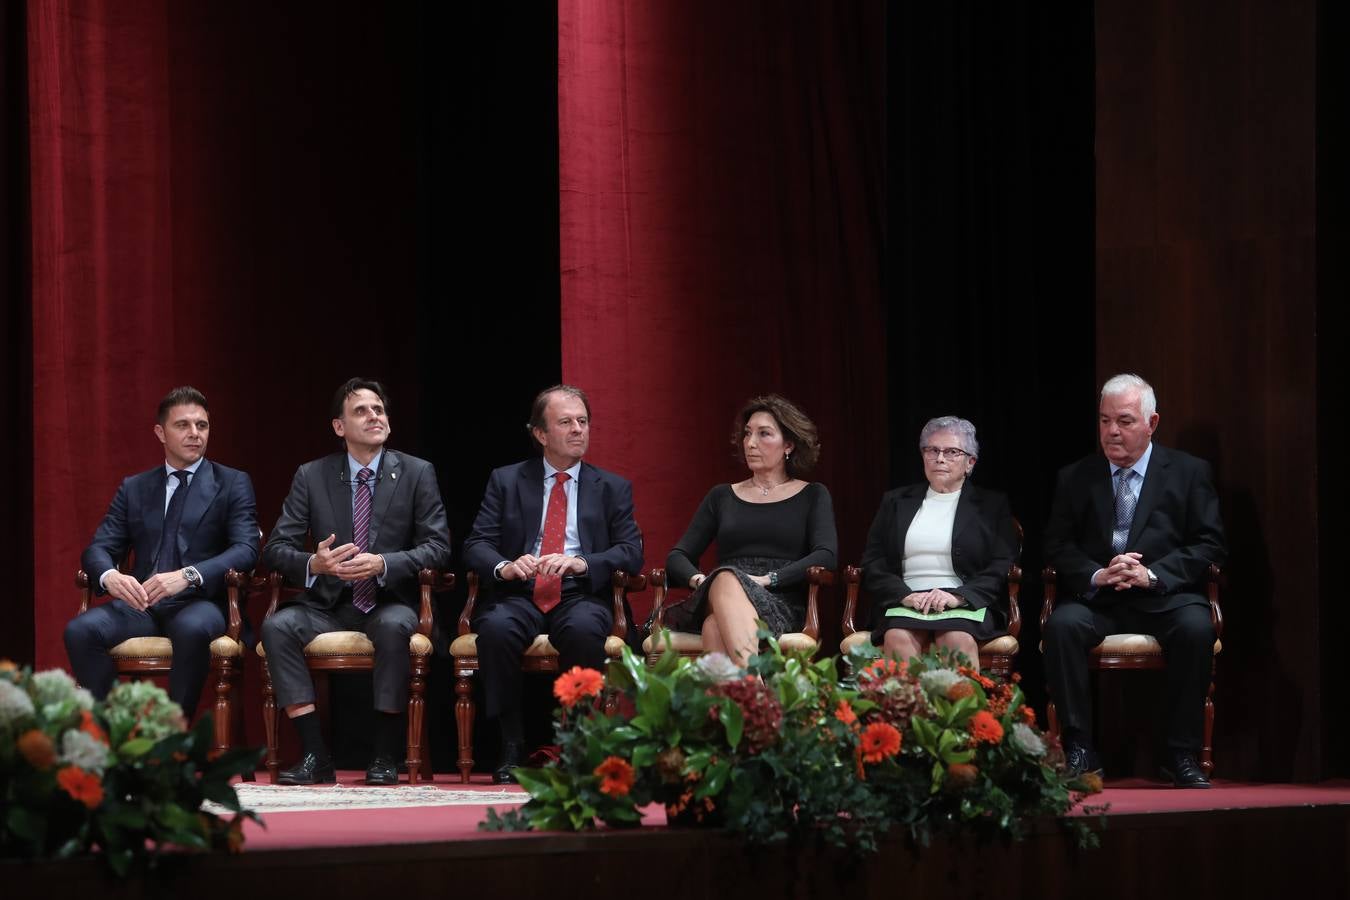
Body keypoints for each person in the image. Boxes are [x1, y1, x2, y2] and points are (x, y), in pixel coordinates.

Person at [261, 378, 451, 786]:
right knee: (276, 627)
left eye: (379, 409)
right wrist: (316, 562)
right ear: (339, 427)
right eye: (362, 411)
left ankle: (385, 755)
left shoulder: (417, 473)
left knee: (394, 627)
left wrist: (384, 563)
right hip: (328, 604)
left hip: (388, 601)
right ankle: (315, 754)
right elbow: (276, 548)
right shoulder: (312, 476)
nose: (374, 417)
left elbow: (438, 547)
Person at [1043, 373, 1226, 788]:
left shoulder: (1188, 472)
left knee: (1197, 628)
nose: (1111, 431)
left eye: (1124, 421)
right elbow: (1056, 544)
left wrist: (1152, 574)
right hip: (1099, 598)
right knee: (1062, 626)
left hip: (1164, 596)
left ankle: (1181, 755)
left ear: (1152, 423)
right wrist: (1096, 573)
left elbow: (1209, 544)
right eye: (1105, 420)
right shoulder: (1076, 476)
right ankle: (1079, 751)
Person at [463, 385, 643, 784]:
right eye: (566, 422)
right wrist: (506, 567)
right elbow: (476, 544)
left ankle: (578, 743)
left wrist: (582, 562)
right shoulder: (506, 480)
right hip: (521, 591)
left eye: (583, 421)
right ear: (540, 434)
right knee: (494, 630)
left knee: (582, 630)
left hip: (580, 593)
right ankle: (511, 745)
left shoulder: (611, 487)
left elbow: (632, 552)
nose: (578, 429)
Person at [66, 386, 259, 716]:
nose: (194, 434)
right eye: (183, 425)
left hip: (202, 602)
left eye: (202, 425)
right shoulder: (135, 488)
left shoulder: (232, 482)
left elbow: (247, 549)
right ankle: (120, 731)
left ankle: (174, 738)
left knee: (190, 629)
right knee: (80, 631)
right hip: (144, 603)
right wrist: (110, 576)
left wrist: (189, 576)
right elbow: (99, 548)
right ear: (161, 432)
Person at [665, 394, 837, 667]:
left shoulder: (812, 495)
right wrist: (701, 581)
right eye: (747, 434)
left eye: (763, 434)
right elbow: (677, 556)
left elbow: (826, 555)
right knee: (724, 579)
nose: (750, 443)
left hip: (778, 599)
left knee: (713, 628)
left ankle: (745, 703)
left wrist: (768, 580)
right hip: (721, 592)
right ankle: (758, 699)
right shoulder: (721, 496)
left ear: (788, 445)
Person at [860, 416, 1017, 665]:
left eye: (951, 452)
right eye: (932, 450)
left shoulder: (991, 505)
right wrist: (904, 595)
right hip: (906, 601)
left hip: (964, 602)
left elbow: (1002, 563)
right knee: (898, 636)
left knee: (956, 638)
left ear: (970, 462)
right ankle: (907, 706)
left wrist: (959, 596)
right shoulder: (895, 501)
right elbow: (873, 560)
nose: (940, 458)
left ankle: (959, 706)